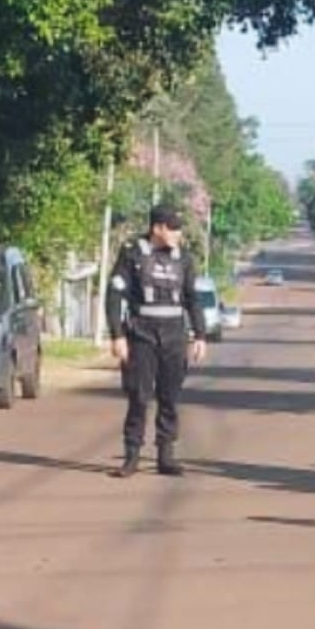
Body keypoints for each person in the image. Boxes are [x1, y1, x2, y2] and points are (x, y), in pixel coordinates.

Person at [106, 204, 207, 478]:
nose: (178, 233)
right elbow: (115, 295)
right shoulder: (131, 253)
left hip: (174, 334)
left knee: (169, 396)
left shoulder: (184, 258)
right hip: (141, 334)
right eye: (172, 228)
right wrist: (117, 335)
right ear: (157, 228)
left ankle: (166, 455)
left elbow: (192, 298)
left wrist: (199, 335)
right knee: (138, 396)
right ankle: (132, 455)